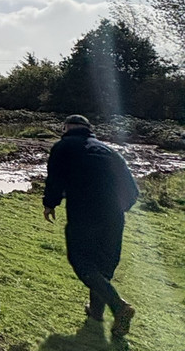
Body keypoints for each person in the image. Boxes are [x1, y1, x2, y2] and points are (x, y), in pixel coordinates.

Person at [43, 114, 140, 337]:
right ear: (89, 129)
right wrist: (118, 209)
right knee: (103, 264)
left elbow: (54, 178)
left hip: (84, 214)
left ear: (65, 128)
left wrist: (50, 203)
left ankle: (119, 306)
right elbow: (132, 189)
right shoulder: (109, 151)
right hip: (114, 215)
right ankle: (97, 312)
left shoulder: (63, 147)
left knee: (81, 260)